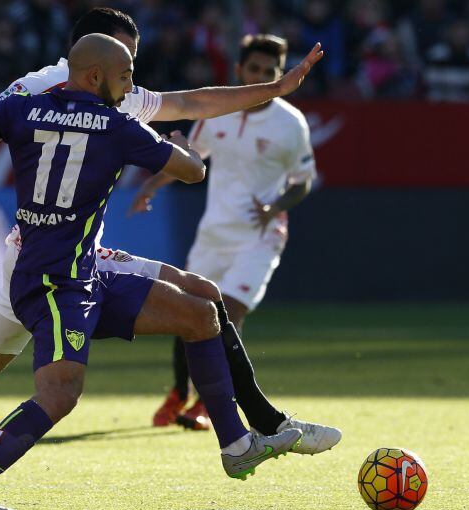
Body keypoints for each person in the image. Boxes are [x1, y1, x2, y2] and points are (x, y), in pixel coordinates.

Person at [0, 7, 336, 504]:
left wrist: (271, 91)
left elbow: (195, 102)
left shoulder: (109, 93)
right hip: (49, 263)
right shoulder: (41, 89)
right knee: (59, 382)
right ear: (93, 62)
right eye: (127, 62)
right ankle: (255, 434)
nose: (134, 81)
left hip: (54, 256)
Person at [133, 34, 327, 435]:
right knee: (186, 310)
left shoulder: (290, 123)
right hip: (213, 233)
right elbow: (190, 158)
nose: (258, 75)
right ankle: (177, 392)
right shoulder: (216, 114)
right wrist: (152, 187)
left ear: (277, 76)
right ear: (240, 71)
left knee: (230, 311)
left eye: (267, 72)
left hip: (260, 235)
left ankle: (209, 400)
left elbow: (303, 180)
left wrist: (276, 206)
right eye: (252, 69)